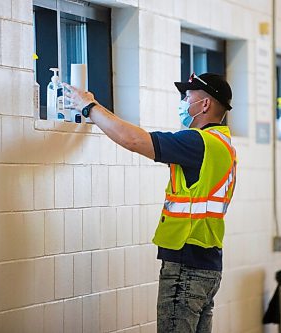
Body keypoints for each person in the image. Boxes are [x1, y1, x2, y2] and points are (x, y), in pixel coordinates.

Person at [65, 72, 237, 333]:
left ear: (205, 105)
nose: (183, 101)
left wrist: (89, 106)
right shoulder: (222, 145)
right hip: (208, 263)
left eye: (188, 96)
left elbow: (133, 140)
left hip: (186, 264)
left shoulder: (197, 143)